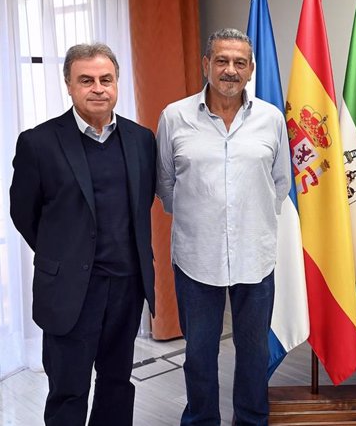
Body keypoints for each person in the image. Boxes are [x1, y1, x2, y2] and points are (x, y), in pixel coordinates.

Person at [9, 43, 156, 426]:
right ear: (69, 86)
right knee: (68, 390)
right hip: (71, 291)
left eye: (106, 79)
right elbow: (23, 213)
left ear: (116, 84)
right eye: (86, 80)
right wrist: (63, 255)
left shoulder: (141, 140)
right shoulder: (38, 143)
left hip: (127, 286)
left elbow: (143, 206)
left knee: (117, 383)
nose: (97, 88)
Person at [156, 28, 290, 425]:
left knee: (253, 352)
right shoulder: (174, 116)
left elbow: (280, 183)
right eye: (221, 60)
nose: (230, 70)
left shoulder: (271, 119)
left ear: (250, 70)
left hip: (255, 255)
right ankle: (201, 420)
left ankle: (250, 419)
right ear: (206, 65)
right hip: (197, 257)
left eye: (239, 63)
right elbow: (166, 185)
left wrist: (250, 219)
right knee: (198, 353)